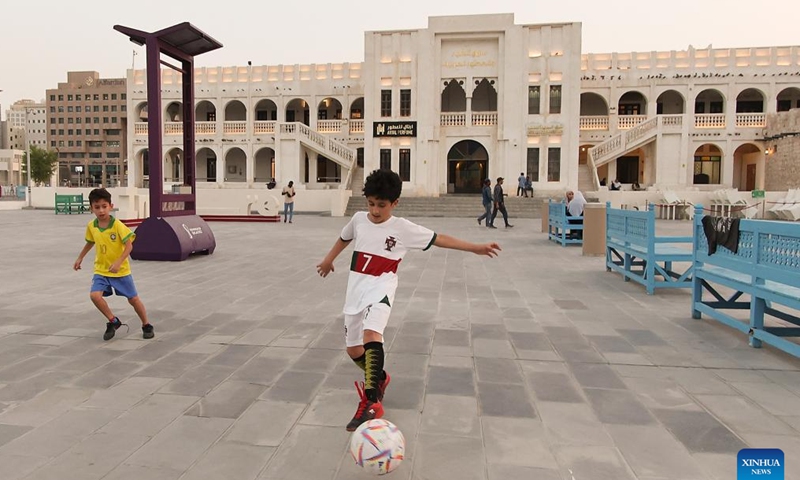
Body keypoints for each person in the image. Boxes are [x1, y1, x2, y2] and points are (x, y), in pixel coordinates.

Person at [316, 169, 500, 432]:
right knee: (354, 350)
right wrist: (328, 259)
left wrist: (475, 247)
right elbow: (344, 237)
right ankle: (379, 377)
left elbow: (439, 239)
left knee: (372, 336)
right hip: (355, 291)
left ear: (395, 204)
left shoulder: (402, 229)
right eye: (371, 203)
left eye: (381, 205)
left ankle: (371, 402)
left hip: (381, 289)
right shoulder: (358, 220)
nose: (375, 210)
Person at [73, 188, 154, 341]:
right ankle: (113, 321)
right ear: (91, 208)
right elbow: (90, 242)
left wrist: (118, 262)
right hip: (101, 270)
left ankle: (146, 324)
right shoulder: (91, 226)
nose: (101, 210)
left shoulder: (118, 225)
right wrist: (80, 258)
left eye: (104, 206)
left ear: (111, 206)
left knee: (133, 299)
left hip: (120, 271)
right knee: (94, 296)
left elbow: (129, 246)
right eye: (97, 207)